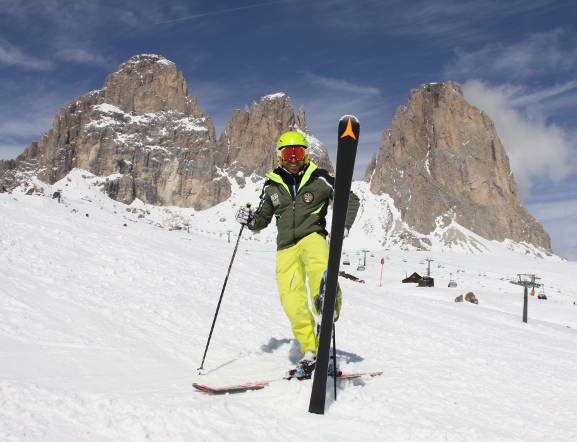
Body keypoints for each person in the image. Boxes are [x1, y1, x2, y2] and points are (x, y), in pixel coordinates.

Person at [235, 131, 360, 377]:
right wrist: (250, 221)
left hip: (312, 236)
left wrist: (342, 227)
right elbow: (262, 219)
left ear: (305, 155)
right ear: (280, 157)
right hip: (285, 247)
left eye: (298, 153)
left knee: (321, 273)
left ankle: (328, 307)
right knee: (291, 300)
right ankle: (311, 351)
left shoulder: (320, 178)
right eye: (288, 153)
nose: (293, 158)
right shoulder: (272, 185)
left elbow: (350, 199)